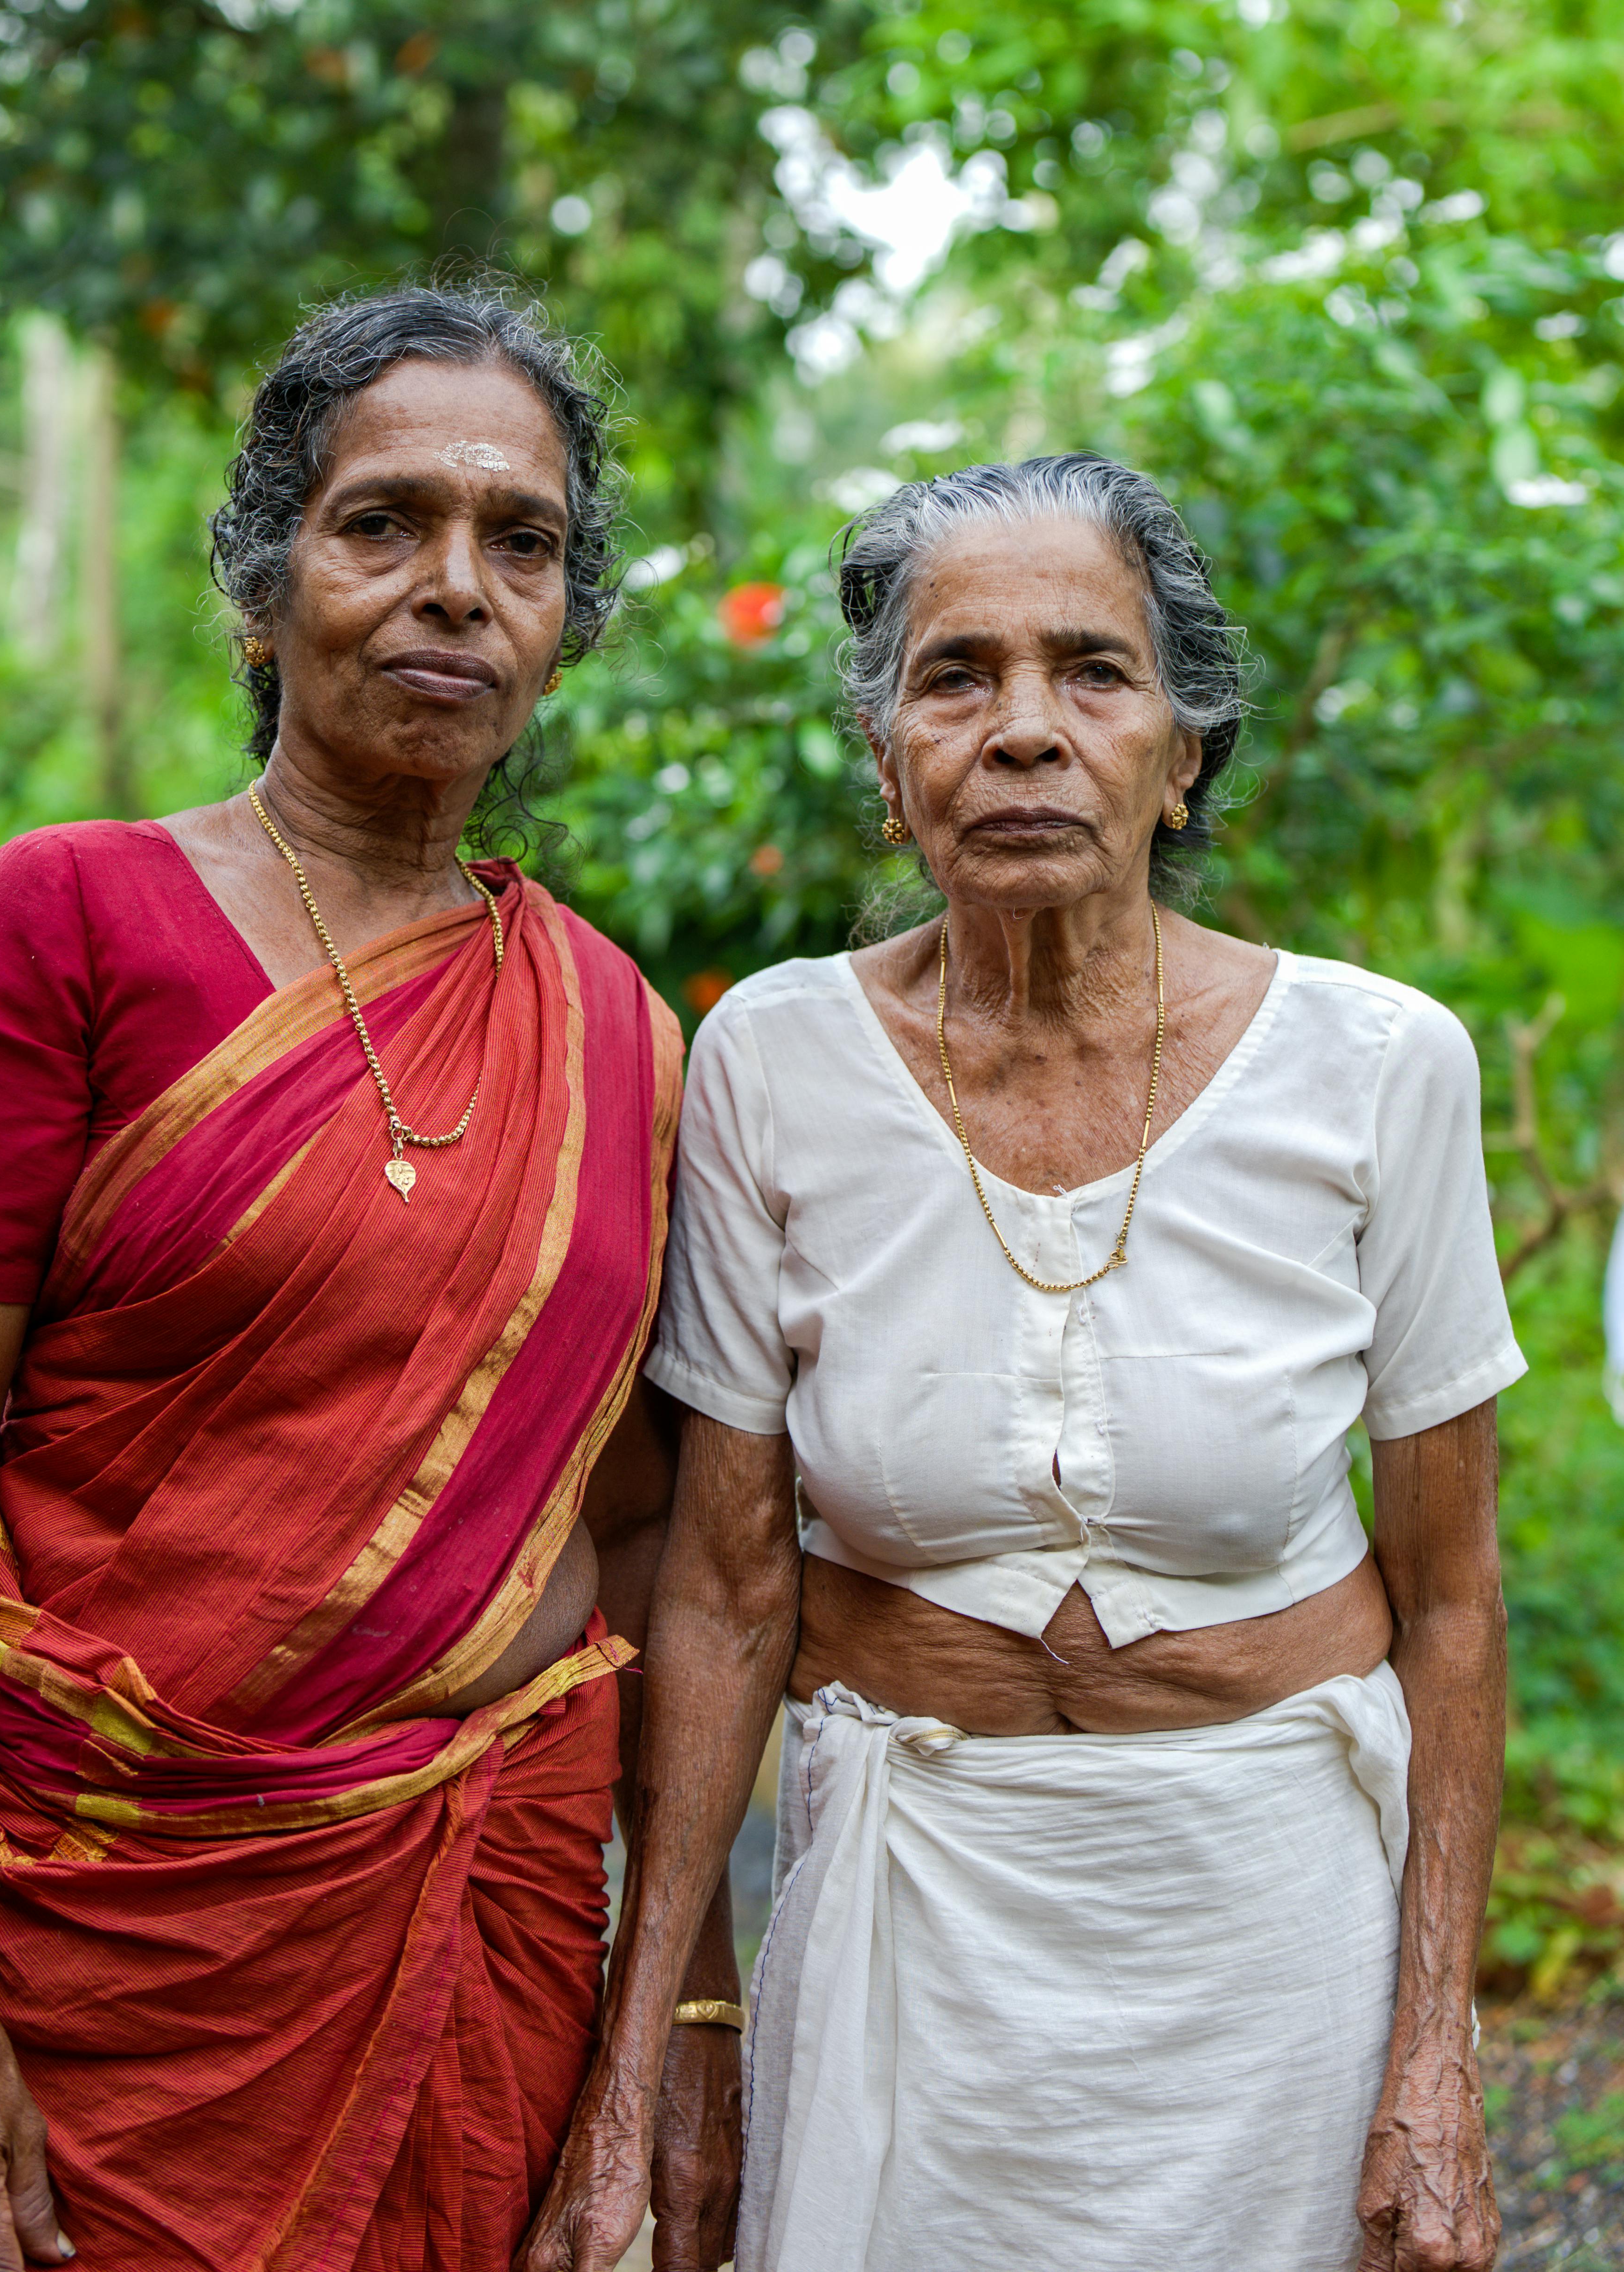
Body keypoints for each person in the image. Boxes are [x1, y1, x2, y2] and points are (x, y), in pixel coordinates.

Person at [0, 284, 742, 2272]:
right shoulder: (68, 922)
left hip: (483, 1937)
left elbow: (651, 1536)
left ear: (568, 624)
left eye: (524, 544)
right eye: (380, 523)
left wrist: (682, 2015)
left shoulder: (615, 1036)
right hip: (122, 1958)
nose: (454, 589)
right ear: (263, 588)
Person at [530, 452, 1524, 2272]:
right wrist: (660, 2055)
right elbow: (724, 1590)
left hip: (1270, 1929)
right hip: (905, 1925)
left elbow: (1450, 1603)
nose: (1022, 733)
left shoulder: (1379, 1069)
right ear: (886, 753)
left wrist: (1433, 2054)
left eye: (1091, 672)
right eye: (953, 677)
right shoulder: (772, 1062)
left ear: (1181, 750)